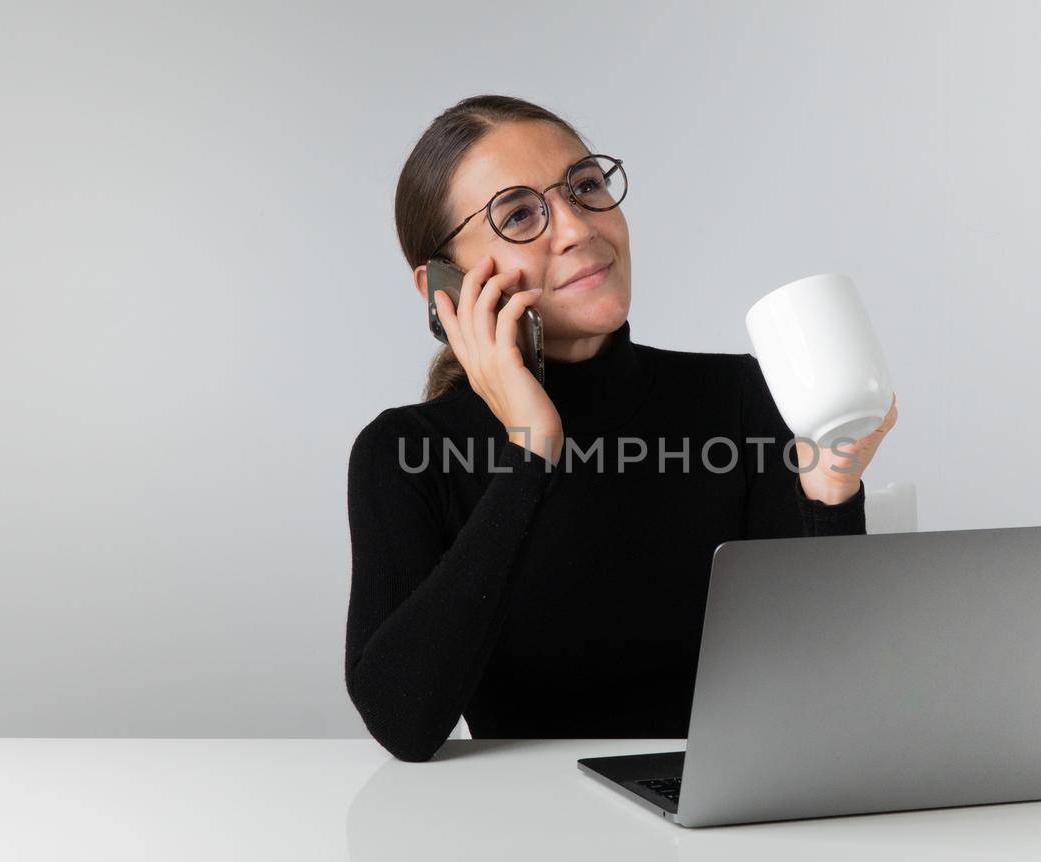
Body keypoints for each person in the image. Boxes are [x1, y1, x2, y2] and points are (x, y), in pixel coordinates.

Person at [347, 94, 900, 762]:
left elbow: (832, 696)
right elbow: (404, 723)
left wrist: (830, 496)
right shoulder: (408, 454)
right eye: (520, 214)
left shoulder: (743, 398)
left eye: (585, 185)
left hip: (729, 832)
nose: (579, 227)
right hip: (530, 838)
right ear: (445, 288)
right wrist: (531, 452)